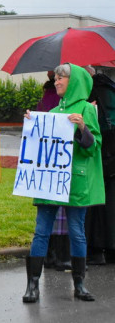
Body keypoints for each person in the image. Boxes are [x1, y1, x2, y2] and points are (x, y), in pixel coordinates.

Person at [22, 63, 105, 303]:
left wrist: (81, 127)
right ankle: (32, 286)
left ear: (74, 82)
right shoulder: (52, 111)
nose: (57, 82)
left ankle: (80, 284)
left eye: (61, 79)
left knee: (77, 232)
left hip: (75, 182)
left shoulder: (87, 110)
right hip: (50, 181)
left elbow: (94, 147)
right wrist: (32, 124)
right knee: (41, 232)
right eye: (56, 78)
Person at [36, 72, 71, 271]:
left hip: (46, 162)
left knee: (49, 212)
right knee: (61, 212)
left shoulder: (46, 96)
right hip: (59, 161)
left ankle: (49, 256)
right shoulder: (59, 99)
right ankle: (60, 256)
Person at [84, 68, 115, 264]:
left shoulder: (91, 91)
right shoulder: (110, 88)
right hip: (112, 155)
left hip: (101, 155)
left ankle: (95, 249)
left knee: (95, 205)